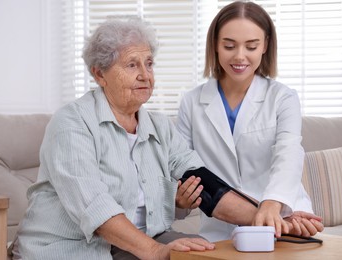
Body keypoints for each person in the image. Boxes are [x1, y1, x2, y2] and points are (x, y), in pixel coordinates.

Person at [12, 17, 216, 260]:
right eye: (131, 65)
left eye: (149, 64)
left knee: (205, 252)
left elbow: (205, 181)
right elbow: (95, 208)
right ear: (99, 74)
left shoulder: (160, 126)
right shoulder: (71, 123)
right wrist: (156, 252)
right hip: (72, 248)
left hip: (140, 241)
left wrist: (260, 216)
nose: (145, 75)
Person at [176, 1, 324, 242]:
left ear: (265, 45)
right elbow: (184, 170)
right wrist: (181, 199)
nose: (240, 56)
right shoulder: (191, 103)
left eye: (251, 46)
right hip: (222, 228)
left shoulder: (283, 98)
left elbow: (288, 154)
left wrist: (272, 205)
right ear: (215, 44)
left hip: (287, 218)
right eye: (229, 46)